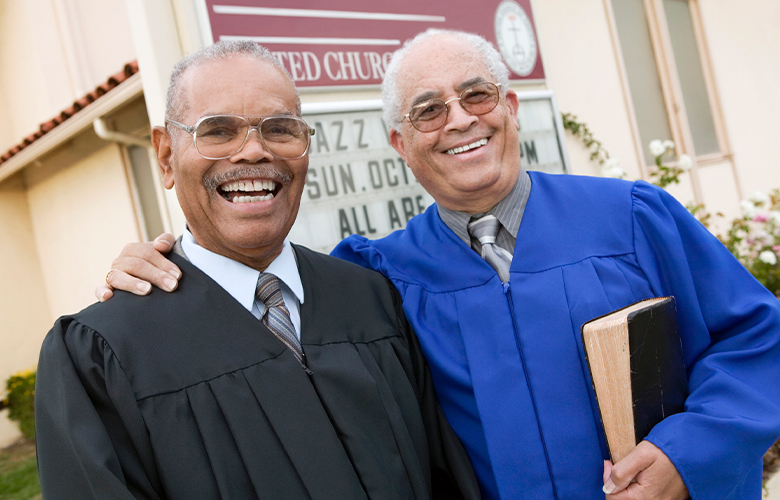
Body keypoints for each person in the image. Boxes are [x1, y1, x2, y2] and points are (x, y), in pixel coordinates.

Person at [98, 30, 780, 499]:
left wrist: (685, 455)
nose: (459, 120)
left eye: (477, 95)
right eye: (428, 110)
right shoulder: (375, 279)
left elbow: (759, 339)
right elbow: (255, 309)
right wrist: (162, 269)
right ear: (400, 142)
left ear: (510, 108)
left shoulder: (633, 218)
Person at [35, 40, 481, 499]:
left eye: (280, 129)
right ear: (166, 156)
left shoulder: (370, 298)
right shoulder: (104, 355)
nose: (253, 152)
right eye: (218, 131)